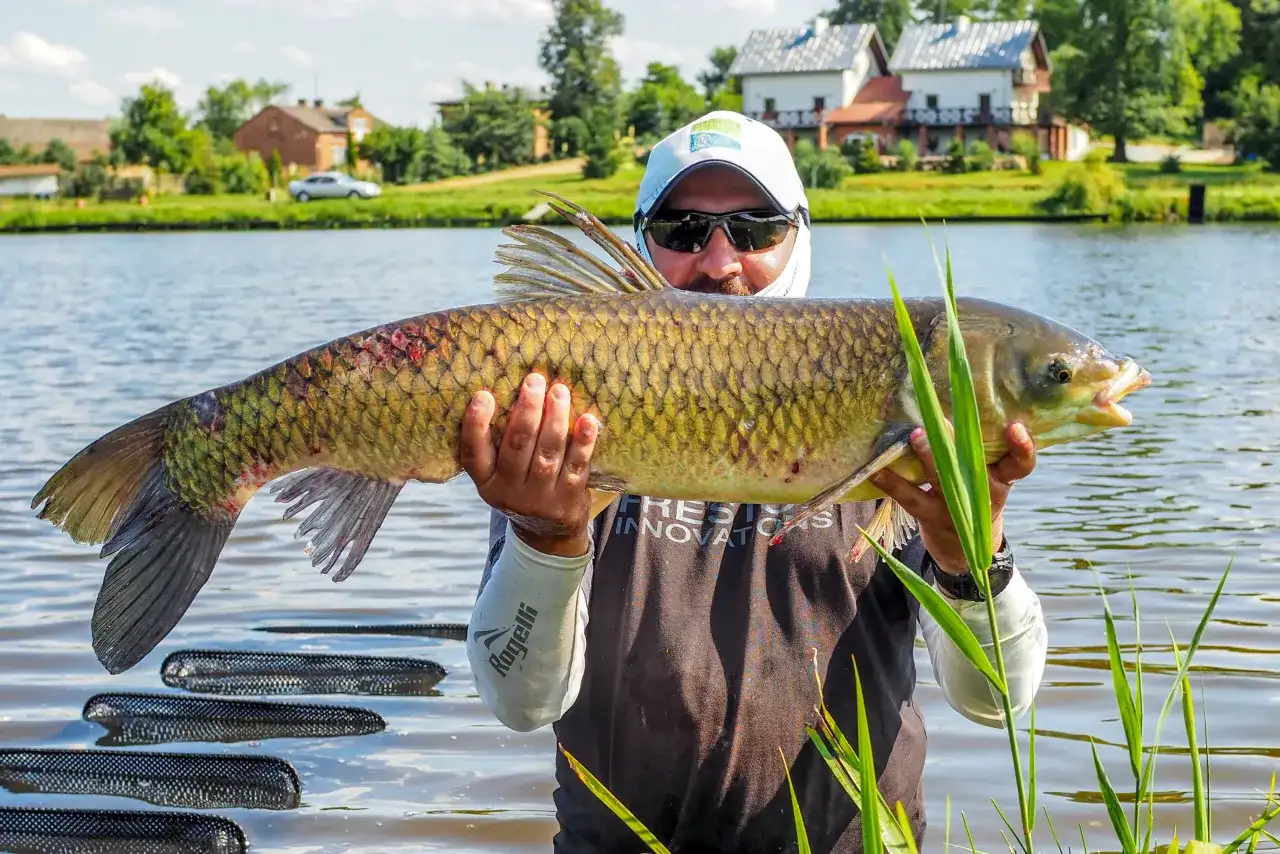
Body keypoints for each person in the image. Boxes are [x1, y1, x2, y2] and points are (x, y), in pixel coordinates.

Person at [461, 111, 1048, 853]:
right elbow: (520, 701)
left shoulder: (896, 404)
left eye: (754, 228)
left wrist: (969, 549)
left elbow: (999, 699)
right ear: (642, 239)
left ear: (800, 237)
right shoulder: (567, 415)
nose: (717, 261)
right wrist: (547, 540)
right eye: (681, 231)